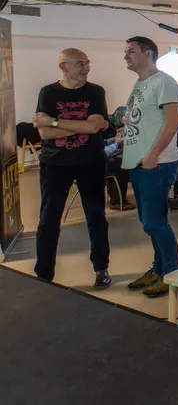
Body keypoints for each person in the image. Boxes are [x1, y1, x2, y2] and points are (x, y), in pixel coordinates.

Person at [32, 48, 112, 289]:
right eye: (79, 64)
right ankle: (44, 274)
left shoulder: (96, 92)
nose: (86, 68)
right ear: (63, 67)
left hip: (91, 162)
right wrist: (82, 125)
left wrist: (54, 121)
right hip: (55, 163)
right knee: (48, 220)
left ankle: (101, 268)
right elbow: (45, 133)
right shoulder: (48, 92)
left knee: (96, 217)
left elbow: (94, 127)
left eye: (87, 63)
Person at [122, 36, 178, 298]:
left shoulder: (165, 82)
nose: (126, 56)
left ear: (147, 53)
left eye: (131, 51)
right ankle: (158, 268)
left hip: (157, 163)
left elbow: (173, 123)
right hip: (138, 162)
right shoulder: (140, 83)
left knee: (156, 223)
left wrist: (153, 156)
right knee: (148, 223)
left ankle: (172, 273)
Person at [103, 107, 135, 211]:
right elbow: (103, 149)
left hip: (111, 156)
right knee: (120, 165)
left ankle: (117, 198)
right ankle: (117, 201)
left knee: (121, 162)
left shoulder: (120, 125)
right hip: (101, 159)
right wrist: (116, 142)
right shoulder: (105, 126)